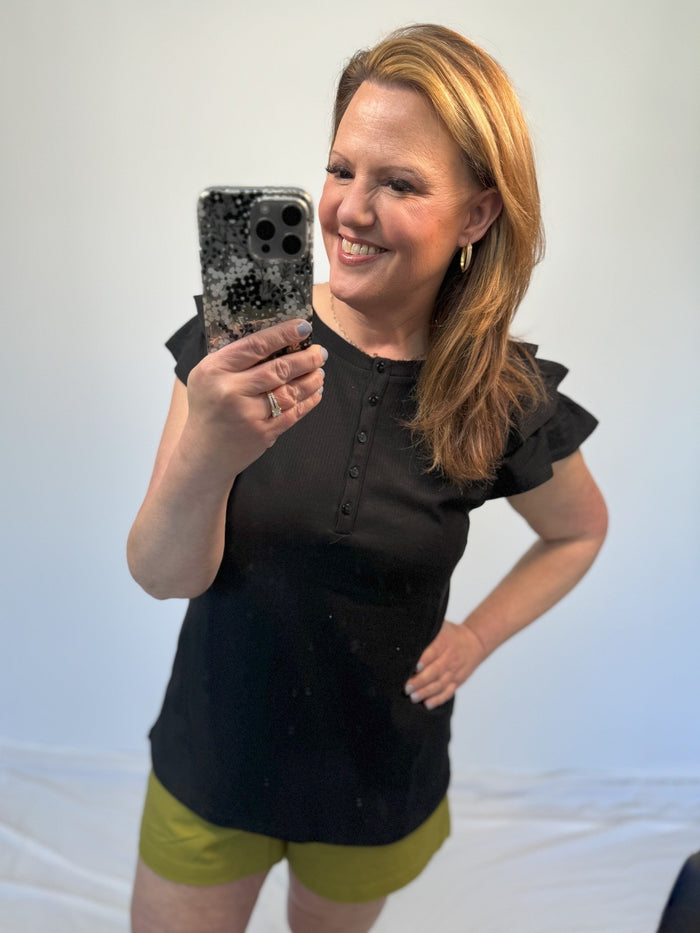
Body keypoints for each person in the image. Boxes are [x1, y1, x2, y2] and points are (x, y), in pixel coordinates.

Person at [127, 23, 608, 933]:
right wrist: (211, 448)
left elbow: (578, 530)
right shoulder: (237, 345)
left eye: (400, 183)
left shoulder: (499, 392)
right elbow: (160, 573)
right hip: (213, 759)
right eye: (341, 168)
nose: (349, 209)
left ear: (477, 215)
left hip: (375, 779)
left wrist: (477, 636)